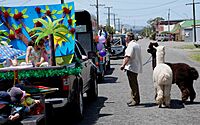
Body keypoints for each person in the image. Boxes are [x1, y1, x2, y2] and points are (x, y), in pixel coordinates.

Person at [120, 32, 143, 107]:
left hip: (131, 67)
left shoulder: (131, 46)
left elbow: (128, 56)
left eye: (126, 37)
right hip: (135, 67)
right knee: (133, 84)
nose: (125, 38)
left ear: (129, 37)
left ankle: (135, 100)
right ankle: (134, 98)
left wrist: (123, 65)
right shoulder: (136, 44)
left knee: (133, 84)